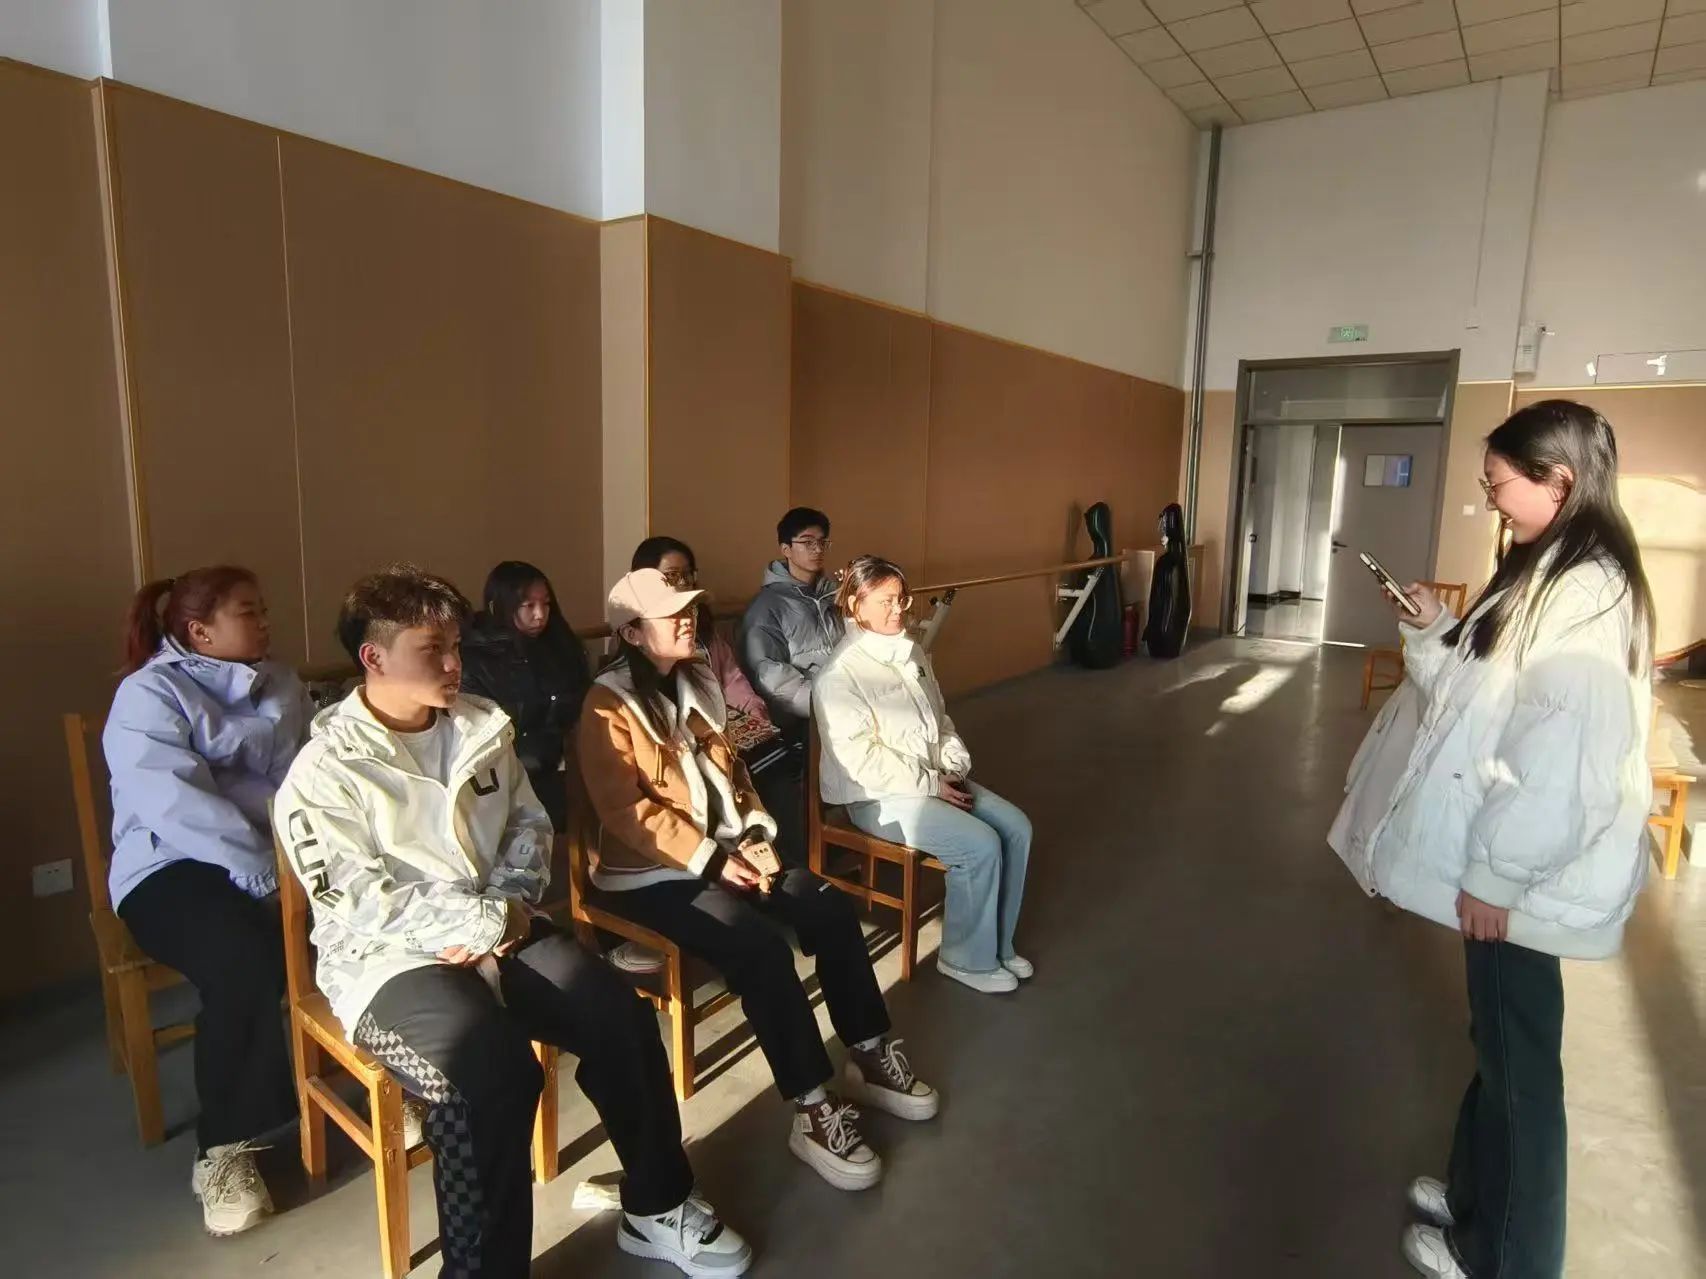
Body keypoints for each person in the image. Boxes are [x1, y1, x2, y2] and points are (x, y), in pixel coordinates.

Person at [274, 565, 750, 1278]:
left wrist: (501, 910)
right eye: (432, 650)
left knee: (618, 1016)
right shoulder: (325, 771)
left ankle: (658, 1204)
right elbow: (358, 899)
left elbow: (529, 823)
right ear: (374, 657)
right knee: (492, 1077)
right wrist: (480, 923)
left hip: (505, 920)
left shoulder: (478, 726)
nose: (454, 664)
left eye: (456, 646)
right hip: (387, 961)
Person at [1328, 400, 1655, 1279]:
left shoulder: (1586, 591)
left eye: (1499, 484)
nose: (1493, 502)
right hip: (1514, 870)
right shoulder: (1544, 568)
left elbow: (1564, 761)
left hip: (1526, 883)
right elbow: (1473, 702)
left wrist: (1498, 875)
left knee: (1521, 1079)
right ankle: (1476, 1196)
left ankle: (1506, 1256)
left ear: (1560, 480)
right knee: (1500, 1048)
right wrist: (1433, 627)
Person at [578, 568, 938, 1193]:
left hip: (725, 851)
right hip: (651, 874)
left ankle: (868, 1049)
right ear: (632, 633)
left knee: (828, 906)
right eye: (671, 615)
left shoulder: (695, 677)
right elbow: (626, 814)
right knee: (761, 950)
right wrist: (712, 860)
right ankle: (812, 1106)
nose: (688, 620)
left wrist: (753, 833)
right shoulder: (606, 704)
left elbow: (731, 772)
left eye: (690, 609)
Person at [104, 566, 309, 1236]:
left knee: (363, 921)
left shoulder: (281, 682)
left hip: (275, 851)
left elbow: (306, 775)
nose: (265, 621)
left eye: (263, 608)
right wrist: (263, 872)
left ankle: (387, 1082)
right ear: (199, 631)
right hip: (168, 864)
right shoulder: (148, 694)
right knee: (244, 956)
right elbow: (176, 804)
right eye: (249, 611)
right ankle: (223, 1148)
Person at [814, 556, 1034, 995]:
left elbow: (939, 719)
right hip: (876, 797)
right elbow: (862, 761)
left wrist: (952, 763)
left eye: (902, 598)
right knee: (978, 845)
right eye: (886, 601)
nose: (899, 609)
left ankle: (996, 945)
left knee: (1016, 828)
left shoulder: (911, 651)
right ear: (856, 605)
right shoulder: (839, 676)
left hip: (933, 777)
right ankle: (964, 959)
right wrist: (932, 783)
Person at [632, 536, 805, 866]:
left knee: (778, 753)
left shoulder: (704, 633)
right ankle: (760, 857)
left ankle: (776, 858)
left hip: (724, 726)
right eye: (671, 576)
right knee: (765, 765)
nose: (682, 584)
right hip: (686, 741)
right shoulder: (642, 641)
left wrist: (755, 720)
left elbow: (735, 683)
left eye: (687, 575)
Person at [459, 560, 592, 833]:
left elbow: (581, 698)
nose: (540, 615)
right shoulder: (477, 656)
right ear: (500, 606)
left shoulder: (559, 644)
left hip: (564, 763)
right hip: (512, 773)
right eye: (528, 605)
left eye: (546, 604)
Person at [737, 507, 843, 735]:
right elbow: (769, 675)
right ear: (786, 549)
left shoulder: (832, 596)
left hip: (843, 702)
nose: (817, 549)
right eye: (807, 542)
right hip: (805, 721)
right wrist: (826, 704)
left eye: (822, 542)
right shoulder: (767, 606)